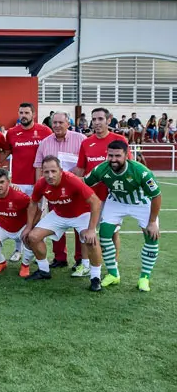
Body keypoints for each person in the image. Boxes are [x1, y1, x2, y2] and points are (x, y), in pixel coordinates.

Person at [84, 140, 161, 291]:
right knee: (105, 234)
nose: (113, 159)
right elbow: (84, 184)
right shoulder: (101, 169)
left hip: (141, 203)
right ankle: (113, 274)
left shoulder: (141, 171)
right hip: (116, 202)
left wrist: (152, 222)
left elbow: (157, 196)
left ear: (126, 155)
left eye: (117, 156)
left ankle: (144, 278)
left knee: (152, 236)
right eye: (110, 155)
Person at [24, 156, 103, 291]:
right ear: (42, 172)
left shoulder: (72, 180)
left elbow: (95, 201)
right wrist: (28, 227)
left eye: (54, 171)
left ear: (61, 170)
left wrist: (91, 229)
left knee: (91, 240)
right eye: (46, 172)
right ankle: (44, 271)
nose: (50, 175)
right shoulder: (41, 183)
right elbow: (33, 203)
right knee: (32, 237)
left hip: (81, 214)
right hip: (59, 214)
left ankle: (96, 277)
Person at [72, 107, 129, 275]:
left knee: (112, 233)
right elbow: (80, 169)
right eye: (94, 119)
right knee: (85, 231)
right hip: (90, 197)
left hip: (113, 197)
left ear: (108, 120)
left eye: (100, 119)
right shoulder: (86, 142)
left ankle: (113, 266)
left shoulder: (119, 140)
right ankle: (85, 264)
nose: (96, 123)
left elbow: (127, 167)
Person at [33, 111, 86, 269]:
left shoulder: (80, 139)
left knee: (79, 228)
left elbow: (86, 164)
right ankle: (60, 258)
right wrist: (40, 189)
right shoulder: (45, 142)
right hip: (54, 193)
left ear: (68, 123)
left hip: (76, 193)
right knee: (57, 226)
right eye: (54, 123)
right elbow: (38, 166)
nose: (56, 125)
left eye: (60, 122)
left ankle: (80, 258)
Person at [5, 102, 51, 262]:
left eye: (26, 112)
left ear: (34, 114)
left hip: (39, 183)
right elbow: (5, 152)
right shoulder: (11, 133)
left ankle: (37, 252)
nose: (23, 115)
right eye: (21, 112)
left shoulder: (45, 131)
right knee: (19, 217)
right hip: (18, 183)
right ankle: (18, 249)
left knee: (39, 218)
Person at [0, 168, 32, 276]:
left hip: (20, 227)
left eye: (1, 182)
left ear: (8, 182)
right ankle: (1, 263)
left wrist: (29, 226)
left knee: (31, 239)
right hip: (2, 226)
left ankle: (25, 265)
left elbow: (33, 207)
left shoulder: (19, 196)